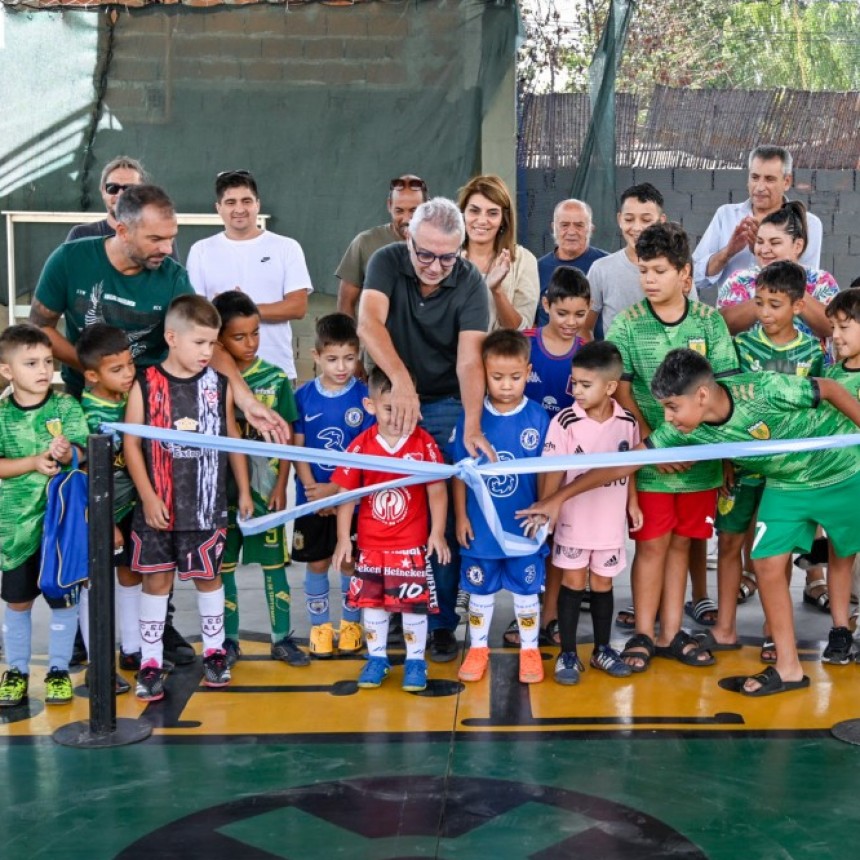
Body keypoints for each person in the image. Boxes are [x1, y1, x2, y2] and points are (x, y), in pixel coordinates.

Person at [520, 347, 860, 696]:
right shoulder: (685, 428)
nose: (667, 419)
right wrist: (556, 498)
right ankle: (788, 668)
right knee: (766, 564)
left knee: (847, 556)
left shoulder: (764, 389)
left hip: (845, 469)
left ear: (701, 395)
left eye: (672, 407)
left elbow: (829, 388)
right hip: (788, 485)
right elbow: (620, 464)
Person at [357, 197, 492, 662]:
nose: (435, 266)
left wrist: (472, 424)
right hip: (395, 395)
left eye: (447, 257)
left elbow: (470, 359)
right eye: (425, 254)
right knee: (385, 503)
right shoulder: (384, 261)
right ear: (407, 239)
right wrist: (399, 383)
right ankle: (385, 607)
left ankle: (439, 623)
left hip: (447, 401)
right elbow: (369, 322)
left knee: (444, 519)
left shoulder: (472, 282)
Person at [603, 222, 738, 672]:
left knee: (682, 544)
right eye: (644, 270)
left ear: (684, 273)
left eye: (659, 270)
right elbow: (621, 391)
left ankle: (668, 632)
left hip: (700, 460)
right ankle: (642, 633)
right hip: (652, 461)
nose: (649, 280)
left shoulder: (709, 322)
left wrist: (716, 455)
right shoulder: (627, 325)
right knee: (653, 545)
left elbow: (723, 391)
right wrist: (652, 444)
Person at [124, 296, 253, 702]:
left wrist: (245, 490)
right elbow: (131, 444)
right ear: (171, 337)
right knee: (156, 580)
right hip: (159, 506)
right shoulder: (144, 382)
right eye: (199, 343)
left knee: (207, 577)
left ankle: (214, 652)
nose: (207, 352)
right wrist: (146, 496)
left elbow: (232, 438)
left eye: (212, 344)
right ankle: (149, 660)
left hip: (205, 504)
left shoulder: (219, 384)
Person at [706, 260, 825, 655]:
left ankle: (777, 631)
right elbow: (724, 407)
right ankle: (724, 628)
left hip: (786, 474)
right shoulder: (739, 347)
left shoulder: (812, 352)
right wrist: (724, 458)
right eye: (759, 303)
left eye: (775, 304)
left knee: (774, 553)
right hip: (740, 467)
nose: (765, 313)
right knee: (728, 543)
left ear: (799, 305)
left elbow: (816, 415)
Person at [331, 367, 450, 693]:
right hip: (371, 547)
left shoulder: (422, 444)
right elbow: (346, 495)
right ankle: (377, 657)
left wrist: (436, 532)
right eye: (388, 409)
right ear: (370, 406)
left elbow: (437, 490)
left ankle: (415, 661)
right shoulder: (362, 446)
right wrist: (344, 538)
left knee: (411, 606)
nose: (397, 418)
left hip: (410, 547)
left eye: (403, 409)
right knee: (375, 605)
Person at [211, 291, 309, 669]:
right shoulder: (211, 380)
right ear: (219, 340)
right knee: (224, 570)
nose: (250, 343)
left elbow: (285, 438)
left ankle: (281, 638)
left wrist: (282, 485)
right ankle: (229, 641)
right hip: (221, 490)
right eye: (239, 336)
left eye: (255, 333)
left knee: (273, 566)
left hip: (265, 489)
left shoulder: (275, 377)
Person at [31, 184, 194, 400]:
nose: (167, 249)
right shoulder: (70, 259)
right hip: (82, 393)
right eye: (155, 239)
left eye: (171, 237)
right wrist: (93, 370)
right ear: (123, 232)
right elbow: (40, 326)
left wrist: (243, 396)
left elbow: (199, 339)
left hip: (149, 397)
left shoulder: (175, 279)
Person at [452, 330, 550, 685]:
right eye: (496, 377)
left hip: (522, 527)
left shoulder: (539, 419)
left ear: (528, 371)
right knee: (480, 592)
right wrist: (461, 516)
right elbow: (458, 473)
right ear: (483, 373)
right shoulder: (471, 419)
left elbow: (547, 475)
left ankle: (529, 650)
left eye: (515, 377)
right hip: (481, 528)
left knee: (526, 594)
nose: (506, 385)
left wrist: (543, 511)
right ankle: (478, 649)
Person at [541, 341, 642, 685]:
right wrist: (549, 507)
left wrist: (633, 503)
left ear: (611, 387)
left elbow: (628, 469)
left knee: (603, 584)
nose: (577, 391)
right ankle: (567, 654)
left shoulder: (627, 422)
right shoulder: (565, 421)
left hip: (609, 523)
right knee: (572, 583)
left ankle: (602, 649)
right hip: (574, 520)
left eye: (586, 385)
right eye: (575, 384)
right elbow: (551, 470)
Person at [0, 325, 88, 708]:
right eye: (31, 363)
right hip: (15, 528)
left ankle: (57, 670)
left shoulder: (65, 407)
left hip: (60, 526)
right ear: (7, 371)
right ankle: (16, 670)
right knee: (17, 601)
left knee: (61, 598)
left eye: (48, 362)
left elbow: (85, 454)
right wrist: (34, 461)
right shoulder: (2, 416)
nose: (42, 370)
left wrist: (67, 452)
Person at [291, 313, 374, 659]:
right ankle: (321, 627)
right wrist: (312, 491)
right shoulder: (303, 396)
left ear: (359, 355)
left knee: (350, 562)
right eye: (332, 359)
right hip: (312, 498)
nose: (342, 367)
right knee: (318, 563)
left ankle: (352, 624)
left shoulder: (366, 398)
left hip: (352, 500)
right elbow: (296, 448)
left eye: (349, 358)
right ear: (316, 356)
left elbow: (367, 452)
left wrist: (337, 492)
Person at [187, 170, 312, 385]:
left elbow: (297, 307)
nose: (239, 209)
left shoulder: (287, 247)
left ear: (258, 204)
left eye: (246, 201)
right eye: (230, 202)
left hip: (274, 369)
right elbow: (195, 314)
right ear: (218, 208)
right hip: (216, 370)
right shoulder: (201, 250)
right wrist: (221, 311)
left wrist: (243, 309)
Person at [75, 324, 141, 689]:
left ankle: (132, 649)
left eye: (130, 365)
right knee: (96, 584)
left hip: (132, 505)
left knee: (132, 573)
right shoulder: (85, 413)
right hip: (100, 512)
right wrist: (101, 518)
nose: (128, 374)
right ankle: (98, 661)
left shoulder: (130, 400)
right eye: (117, 370)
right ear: (91, 375)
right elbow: (83, 472)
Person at [693, 145, 823, 298]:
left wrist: (762, 249)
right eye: (755, 177)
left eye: (769, 179)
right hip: (732, 318)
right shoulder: (726, 215)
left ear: (787, 181)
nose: (760, 187)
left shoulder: (809, 223)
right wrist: (727, 252)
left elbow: (807, 286)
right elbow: (695, 278)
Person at [586, 183, 699, 339]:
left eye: (646, 220)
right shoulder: (601, 269)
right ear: (619, 219)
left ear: (661, 220)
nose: (637, 227)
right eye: (629, 219)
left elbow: (693, 321)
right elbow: (584, 327)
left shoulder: (677, 266)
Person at [717, 201, 837, 341]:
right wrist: (765, 297)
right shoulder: (739, 280)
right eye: (760, 242)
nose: (764, 250)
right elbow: (721, 326)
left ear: (798, 245)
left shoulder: (820, 281)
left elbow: (833, 327)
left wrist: (792, 287)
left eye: (775, 243)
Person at [336, 175, 429, 319]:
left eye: (414, 211)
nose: (407, 219)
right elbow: (345, 303)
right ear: (389, 205)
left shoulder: (442, 242)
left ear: (427, 207)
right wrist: (353, 340)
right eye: (399, 211)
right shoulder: (366, 242)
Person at [457, 175, 539, 331]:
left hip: (501, 354)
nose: (482, 220)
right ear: (463, 213)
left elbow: (521, 330)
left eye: (492, 213)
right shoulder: (446, 257)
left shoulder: (524, 260)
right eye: (474, 211)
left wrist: (497, 290)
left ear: (503, 219)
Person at [66, 155, 180, 262]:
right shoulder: (81, 236)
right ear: (102, 191)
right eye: (112, 188)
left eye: (130, 188)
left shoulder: (160, 236)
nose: (120, 194)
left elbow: (172, 280)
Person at [535, 199, 607, 327]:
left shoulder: (606, 265)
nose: (572, 232)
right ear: (554, 227)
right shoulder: (537, 269)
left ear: (590, 229)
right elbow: (532, 322)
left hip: (595, 346)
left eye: (579, 225)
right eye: (564, 225)